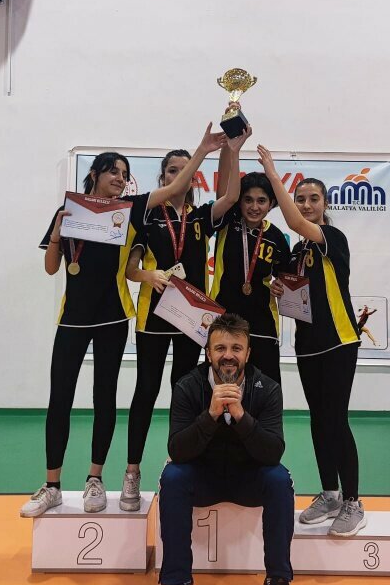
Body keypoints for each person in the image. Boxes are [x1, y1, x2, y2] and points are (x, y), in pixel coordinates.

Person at [20, 125, 228, 519]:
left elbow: (175, 187)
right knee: (60, 398)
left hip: (113, 318)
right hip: (72, 320)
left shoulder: (131, 210)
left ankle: (95, 478)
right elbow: (51, 267)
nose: (119, 178)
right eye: (112, 171)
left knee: (105, 398)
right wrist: (58, 234)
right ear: (94, 174)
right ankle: (52, 486)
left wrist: (203, 150)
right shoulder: (70, 211)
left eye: (124, 173)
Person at [120, 129, 247, 512]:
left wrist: (233, 150)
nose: (179, 176)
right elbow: (130, 269)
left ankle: (179, 461)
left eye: (185, 170)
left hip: (192, 320)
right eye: (172, 171)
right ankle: (132, 471)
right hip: (154, 318)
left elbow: (231, 197)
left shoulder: (200, 217)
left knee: (185, 391)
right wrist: (149, 275)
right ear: (163, 178)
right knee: (145, 391)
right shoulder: (147, 215)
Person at [257, 145, 366, 537]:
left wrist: (273, 174)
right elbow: (289, 292)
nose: (305, 205)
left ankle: (354, 501)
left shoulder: (330, 237)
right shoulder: (298, 251)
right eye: (300, 198)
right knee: (319, 421)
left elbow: (294, 221)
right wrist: (276, 289)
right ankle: (330, 493)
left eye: (312, 198)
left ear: (325, 204)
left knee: (336, 419)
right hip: (307, 346)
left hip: (338, 342)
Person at [158, 313, 293, 585]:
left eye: (236, 348)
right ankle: (178, 583)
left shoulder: (267, 389)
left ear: (248, 353)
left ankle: (278, 582)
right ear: (208, 353)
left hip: (247, 479)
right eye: (220, 348)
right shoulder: (187, 386)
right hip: (203, 478)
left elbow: (273, 453)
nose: (228, 356)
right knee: (172, 477)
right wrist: (210, 415)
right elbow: (177, 450)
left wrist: (242, 417)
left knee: (280, 479)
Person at [210, 170, 291, 384]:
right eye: (248, 200)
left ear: (271, 203)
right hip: (224, 317)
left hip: (263, 322)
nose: (254, 207)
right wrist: (232, 152)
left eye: (261, 201)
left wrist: (280, 286)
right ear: (239, 201)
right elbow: (224, 193)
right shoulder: (227, 222)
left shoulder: (276, 238)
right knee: (225, 385)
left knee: (267, 386)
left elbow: (286, 278)